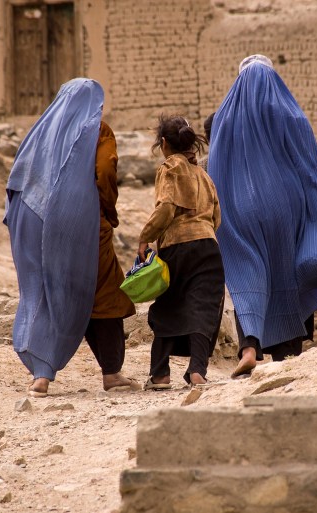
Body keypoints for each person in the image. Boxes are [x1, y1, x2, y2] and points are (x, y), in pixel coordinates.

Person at [208, 55, 317, 378]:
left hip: (240, 207)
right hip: (285, 205)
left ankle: (250, 346)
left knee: (247, 272)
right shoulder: (288, 112)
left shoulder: (224, 116)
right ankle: (288, 352)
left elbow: (215, 164)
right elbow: (310, 166)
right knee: (287, 271)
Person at [3, 78, 139, 397]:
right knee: (104, 294)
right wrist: (107, 209)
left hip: (31, 219)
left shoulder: (41, 132)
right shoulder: (97, 130)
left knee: (44, 292)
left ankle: (41, 375)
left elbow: (16, 179)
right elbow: (105, 170)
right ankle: (112, 373)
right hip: (80, 224)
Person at [138, 115, 225, 389]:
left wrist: (145, 237)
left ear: (164, 143)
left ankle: (160, 374)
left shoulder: (170, 168)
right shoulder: (203, 174)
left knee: (168, 307)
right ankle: (197, 371)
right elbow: (217, 217)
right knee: (203, 309)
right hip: (208, 249)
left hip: (177, 247)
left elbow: (165, 207)